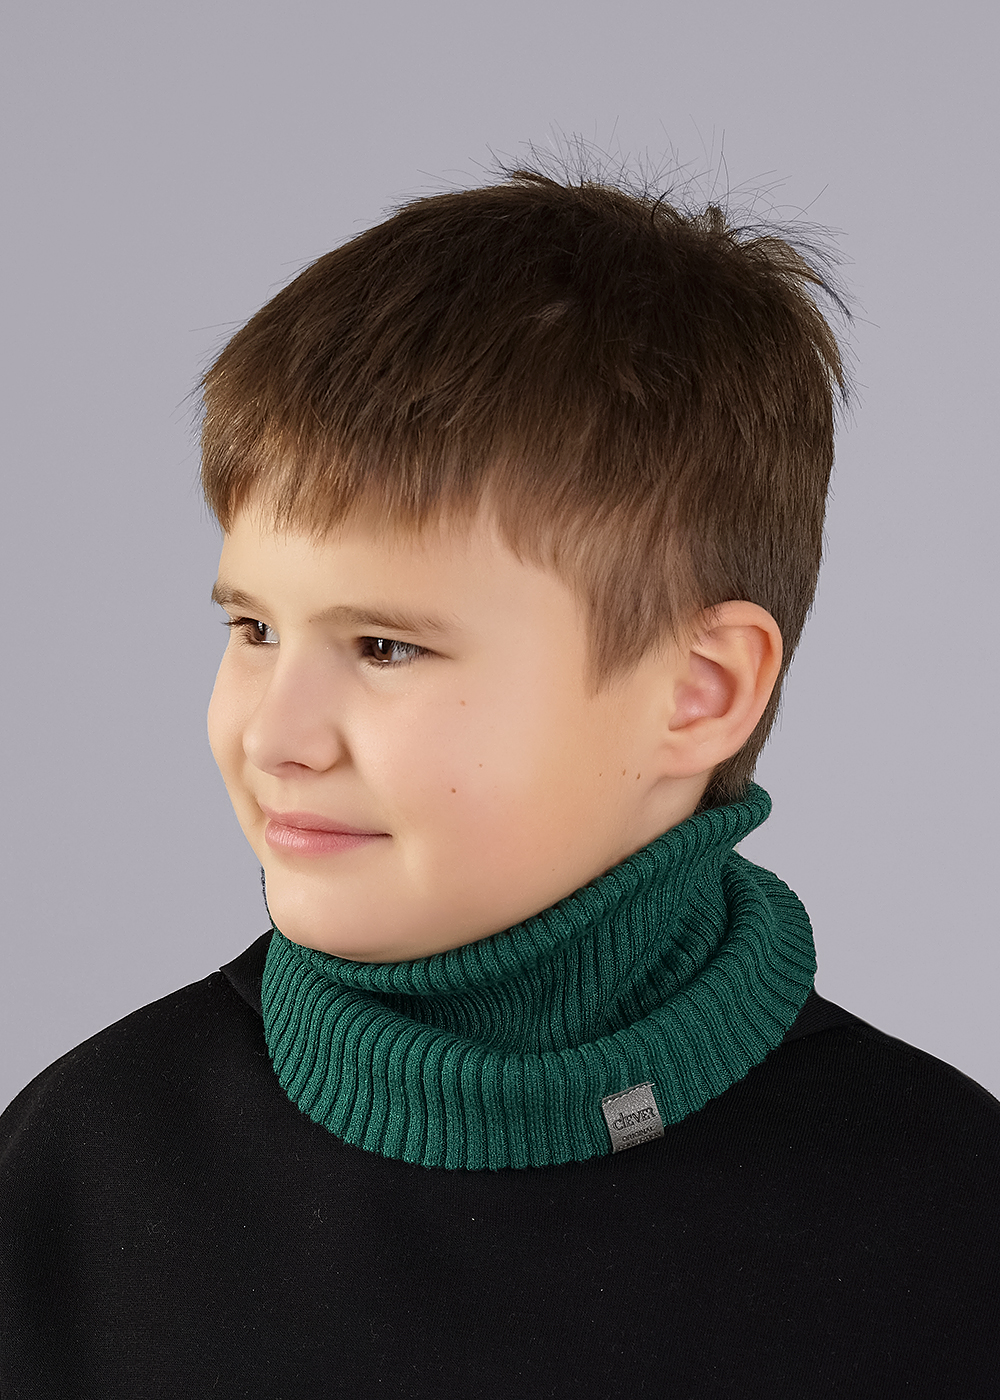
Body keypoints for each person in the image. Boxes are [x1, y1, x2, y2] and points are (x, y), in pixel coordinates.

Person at [1, 162, 997, 1399]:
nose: (274, 735)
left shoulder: (951, 1219)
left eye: (385, 646)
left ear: (698, 691)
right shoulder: (74, 1177)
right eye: (252, 628)